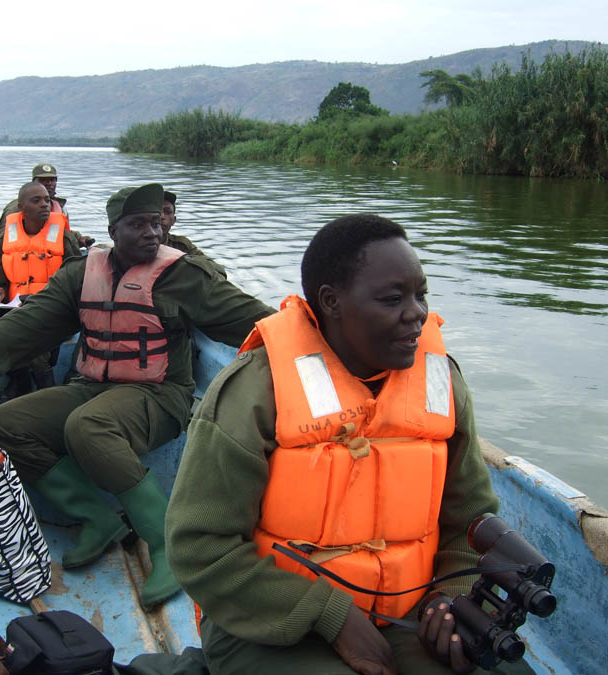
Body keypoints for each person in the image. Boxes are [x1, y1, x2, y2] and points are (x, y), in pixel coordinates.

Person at [165, 215, 535, 674]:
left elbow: (470, 521)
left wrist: (452, 600)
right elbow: (199, 547)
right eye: (392, 299)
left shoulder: (442, 383)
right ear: (332, 302)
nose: (417, 312)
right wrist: (329, 613)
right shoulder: (256, 391)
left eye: (421, 295)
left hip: (410, 611)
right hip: (278, 620)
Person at [0, 183, 275, 608]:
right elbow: (30, 322)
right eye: (138, 225)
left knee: (88, 425)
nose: (152, 233)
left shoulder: (183, 275)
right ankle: (97, 518)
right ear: (113, 231)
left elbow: (252, 320)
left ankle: (166, 544)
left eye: (155, 223)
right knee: (3, 424)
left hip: (159, 395)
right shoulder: (82, 273)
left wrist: (307, 334)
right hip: (92, 385)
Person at [0, 181, 82, 400]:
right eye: (36, 201)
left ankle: (38, 382)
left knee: (26, 327)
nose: (45, 205)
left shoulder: (64, 238)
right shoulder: (6, 239)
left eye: (47, 200)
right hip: (15, 308)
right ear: (21, 207)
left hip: (53, 311)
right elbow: (0, 282)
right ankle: (21, 376)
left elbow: (78, 283)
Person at [0, 162, 92, 269]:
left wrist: (79, 238)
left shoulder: (59, 208)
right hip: (22, 262)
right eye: (43, 180)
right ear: (33, 182)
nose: (49, 184)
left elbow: (62, 234)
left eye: (52, 180)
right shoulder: (17, 208)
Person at [160, 191, 226, 277]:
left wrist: (183, 262)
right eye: (157, 211)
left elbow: (218, 270)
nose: (162, 216)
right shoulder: (137, 245)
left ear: (173, 220)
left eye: (167, 212)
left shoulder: (182, 245)